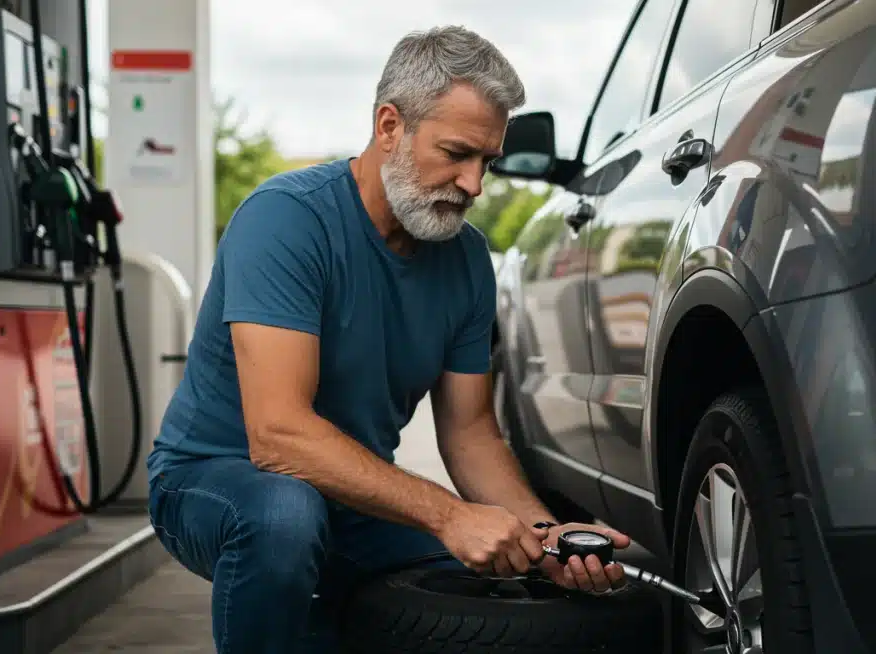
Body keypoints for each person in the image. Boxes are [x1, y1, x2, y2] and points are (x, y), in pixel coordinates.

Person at [144, 25, 629, 654]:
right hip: (216, 480)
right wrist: (449, 514)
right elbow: (278, 435)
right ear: (389, 126)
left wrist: (544, 536)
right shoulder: (286, 220)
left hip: (348, 494)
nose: (474, 184)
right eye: (456, 153)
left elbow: (471, 434)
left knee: (487, 572)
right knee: (286, 518)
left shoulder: (468, 261)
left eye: (487, 161)